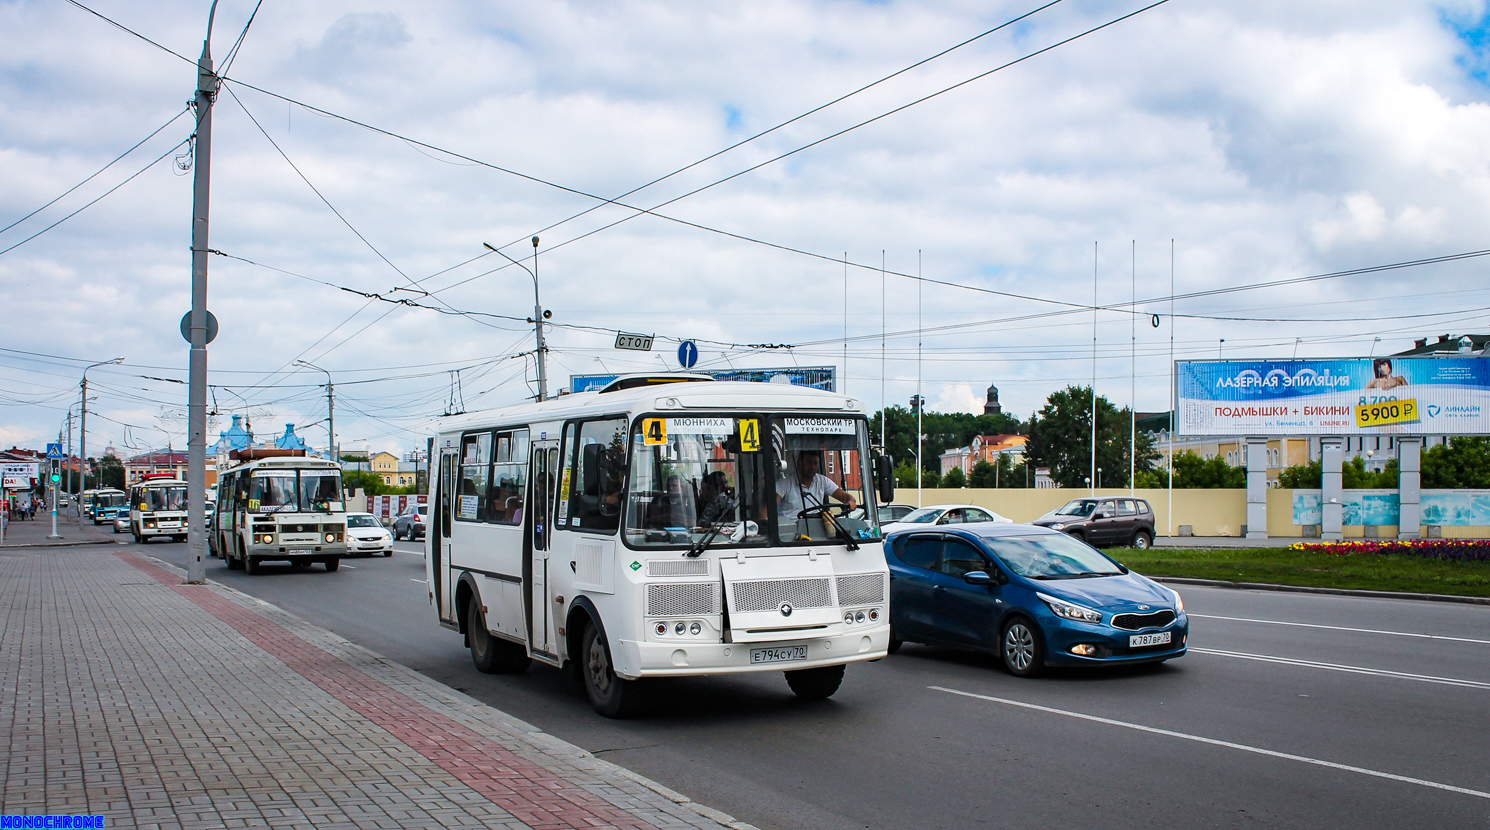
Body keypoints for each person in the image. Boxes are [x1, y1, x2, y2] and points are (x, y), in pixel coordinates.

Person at [776, 451, 856, 528]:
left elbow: (845, 497)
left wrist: (851, 501)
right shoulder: (785, 482)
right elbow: (767, 510)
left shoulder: (822, 481)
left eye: (815, 463)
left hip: (816, 531)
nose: (812, 467)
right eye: (809, 463)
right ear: (799, 463)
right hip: (790, 532)